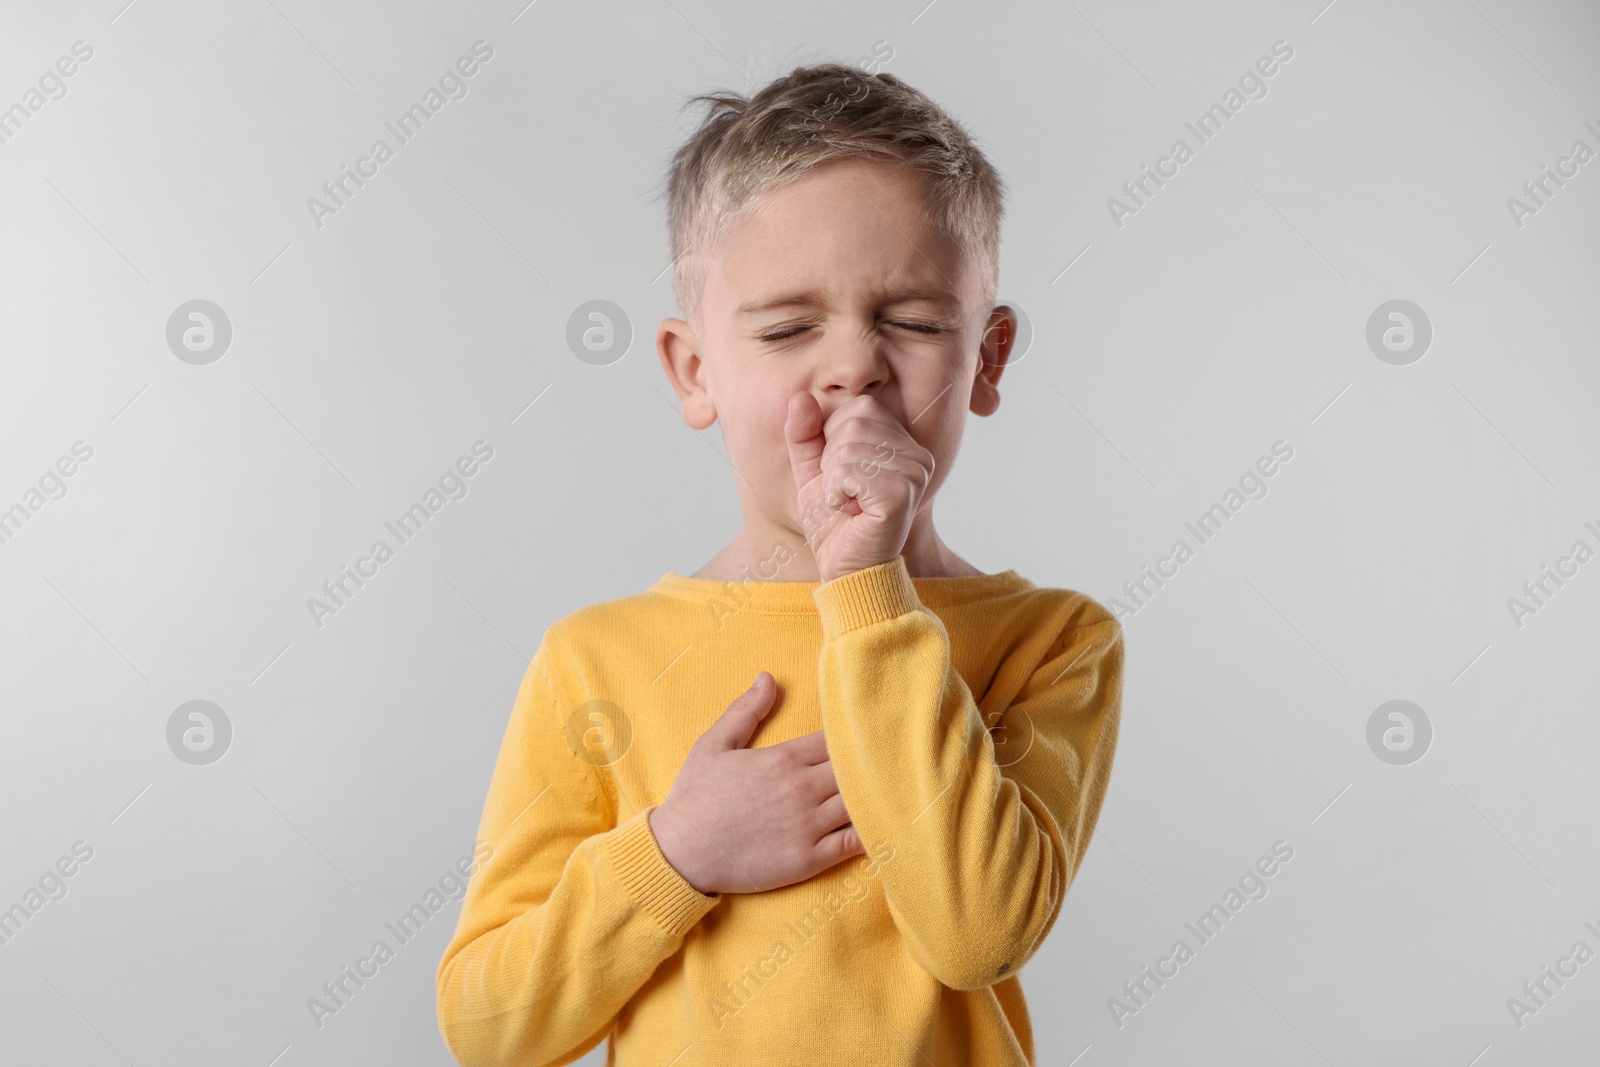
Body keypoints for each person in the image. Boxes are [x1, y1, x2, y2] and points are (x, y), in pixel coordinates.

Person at [435, 61, 1124, 1067]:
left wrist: (864, 590)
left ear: (985, 359)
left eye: (915, 321)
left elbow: (978, 931)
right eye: (789, 327)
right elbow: (491, 1028)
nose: (852, 364)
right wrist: (673, 854)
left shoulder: (1055, 642)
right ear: (694, 369)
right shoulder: (594, 657)